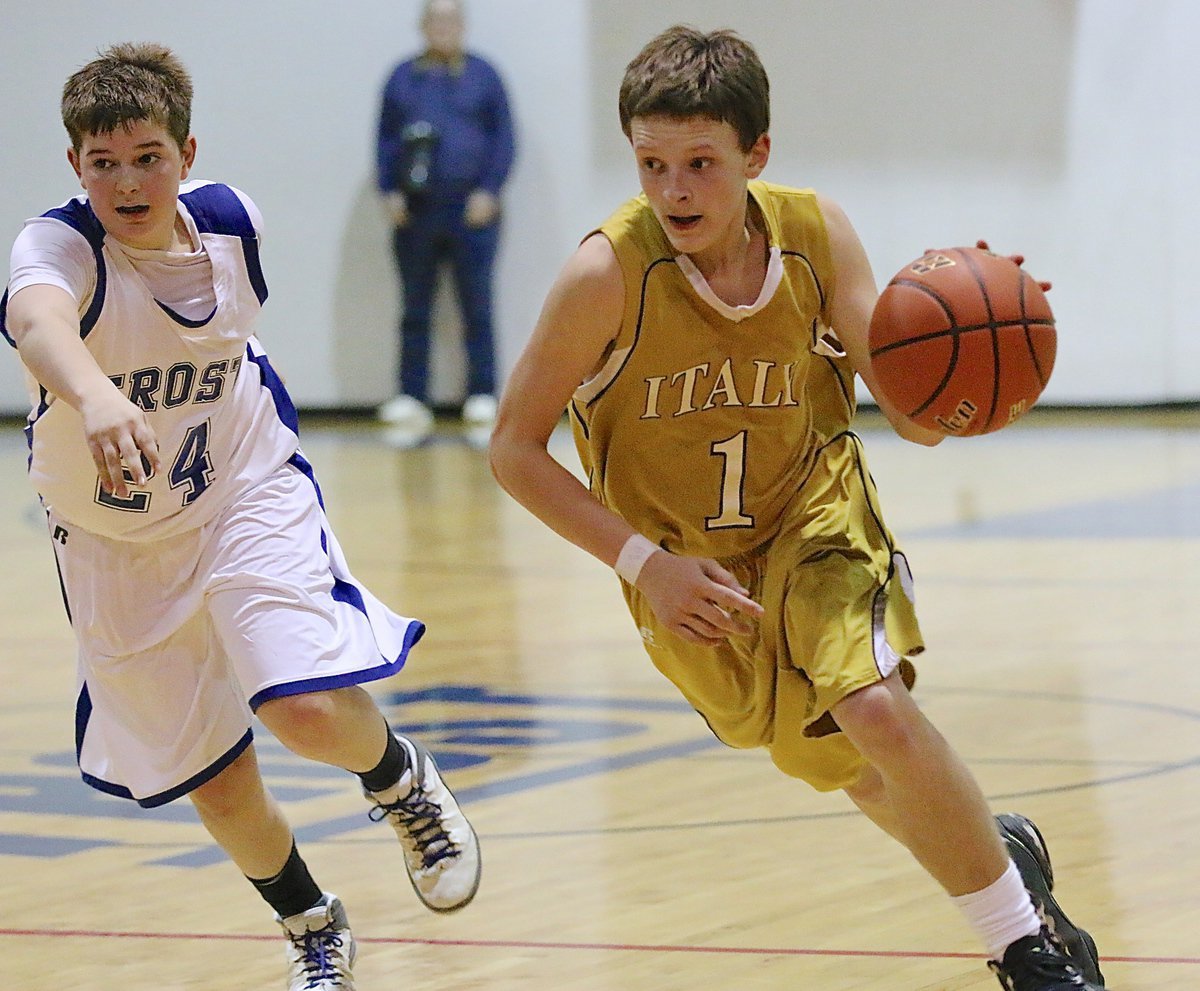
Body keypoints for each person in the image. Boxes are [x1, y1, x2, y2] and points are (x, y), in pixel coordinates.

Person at [489, 25, 1105, 991]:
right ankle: (1000, 851)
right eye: (653, 164)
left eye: (701, 163)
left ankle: (1025, 949)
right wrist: (646, 566)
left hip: (817, 515)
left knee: (874, 707)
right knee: (845, 765)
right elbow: (512, 449)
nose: (675, 190)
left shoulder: (815, 236)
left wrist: (975, 368)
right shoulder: (605, 276)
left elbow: (917, 418)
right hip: (688, 569)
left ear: (756, 155)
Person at [1, 43, 481, 991]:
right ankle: (313, 923)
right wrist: (95, 396)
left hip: (238, 489)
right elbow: (39, 320)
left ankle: (399, 780)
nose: (127, 180)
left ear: (187, 150)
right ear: (74, 166)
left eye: (147, 155)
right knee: (216, 780)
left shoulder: (233, 223)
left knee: (299, 704)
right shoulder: (54, 247)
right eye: (103, 162)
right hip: (112, 539)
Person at [375, 0, 515, 431]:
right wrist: (389, 190)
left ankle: (483, 393)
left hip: (472, 211)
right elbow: (384, 139)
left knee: (477, 303)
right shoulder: (403, 77)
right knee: (415, 305)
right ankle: (412, 395)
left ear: (462, 25)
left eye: (450, 20)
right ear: (423, 26)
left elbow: (505, 139)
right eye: (435, 20)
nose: (443, 28)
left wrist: (489, 191)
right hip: (416, 212)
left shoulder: (484, 76)